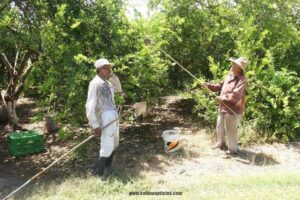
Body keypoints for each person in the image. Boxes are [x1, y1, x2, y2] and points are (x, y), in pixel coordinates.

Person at [200, 57, 248, 155]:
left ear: (239, 68)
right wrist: (207, 85)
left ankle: (233, 149)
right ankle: (220, 144)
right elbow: (219, 86)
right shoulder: (229, 76)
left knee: (231, 130)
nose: (232, 65)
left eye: (234, 64)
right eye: (233, 63)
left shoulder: (242, 80)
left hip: (233, 109)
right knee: (220, 126)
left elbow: (236, 95)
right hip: (223, 107)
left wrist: (223, 98)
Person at [85, 58, 121, 178]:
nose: (110, 70)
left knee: (115, 142)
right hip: (105, 117)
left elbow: (119, 89)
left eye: (110, 67)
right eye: (107, 68)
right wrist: (95, 125)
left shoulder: (108, 83)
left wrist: (113, 76)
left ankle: (108, 167)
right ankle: (98, 172)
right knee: (107, 144)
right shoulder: (95, 83)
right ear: (100, 69)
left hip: (114, 116)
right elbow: (90, 106)